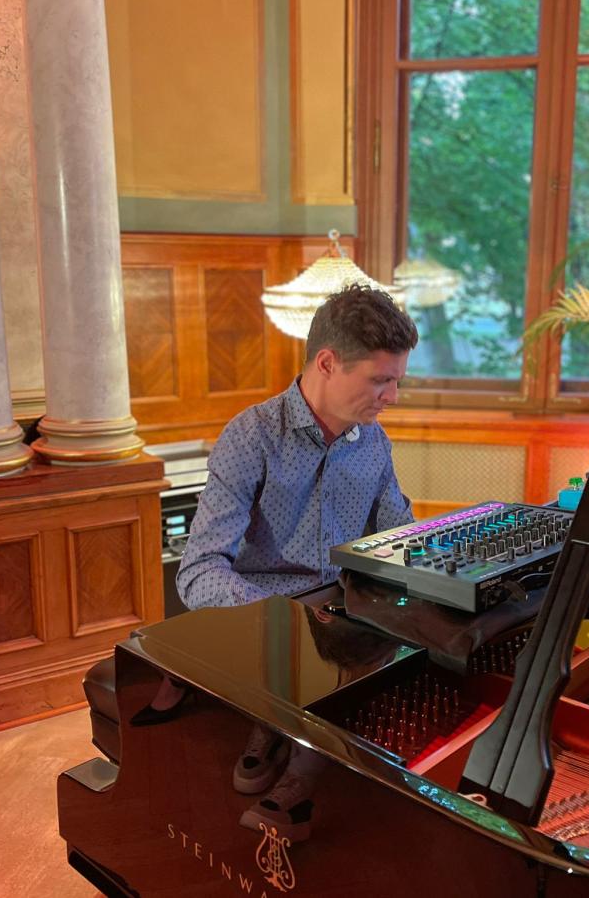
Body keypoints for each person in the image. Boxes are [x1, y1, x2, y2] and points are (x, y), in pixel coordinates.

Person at [174, 281, 419, 839]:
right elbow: (199, 571)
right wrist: (288, 618)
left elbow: (398, 539)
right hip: (266, 617)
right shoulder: (251, 437)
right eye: (380, 380)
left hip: (344, 613)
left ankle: (295, 755)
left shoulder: (373, 442)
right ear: (327, 363)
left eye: (397, 380)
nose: (392, 397)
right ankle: (287, 750)